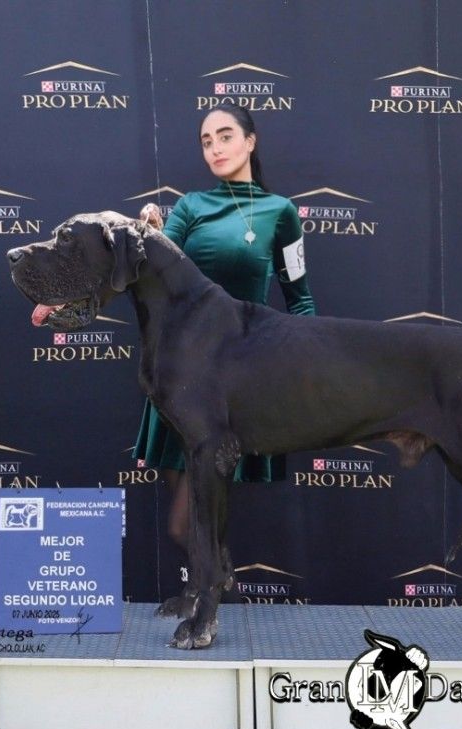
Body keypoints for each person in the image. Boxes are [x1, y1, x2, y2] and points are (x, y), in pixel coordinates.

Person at [134, 104, 315, 594]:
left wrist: (309, 363)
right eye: (206, 140)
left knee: (191, 518)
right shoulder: (191, 206)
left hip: (239, 379)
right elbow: (156, 267)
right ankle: (212, 582)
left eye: (225, 135)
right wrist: (149, 233)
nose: (215, 147)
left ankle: (209, 587)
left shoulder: (281, 212)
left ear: (250, 141)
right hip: (181, 376)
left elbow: (299, 298)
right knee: (189, 519)